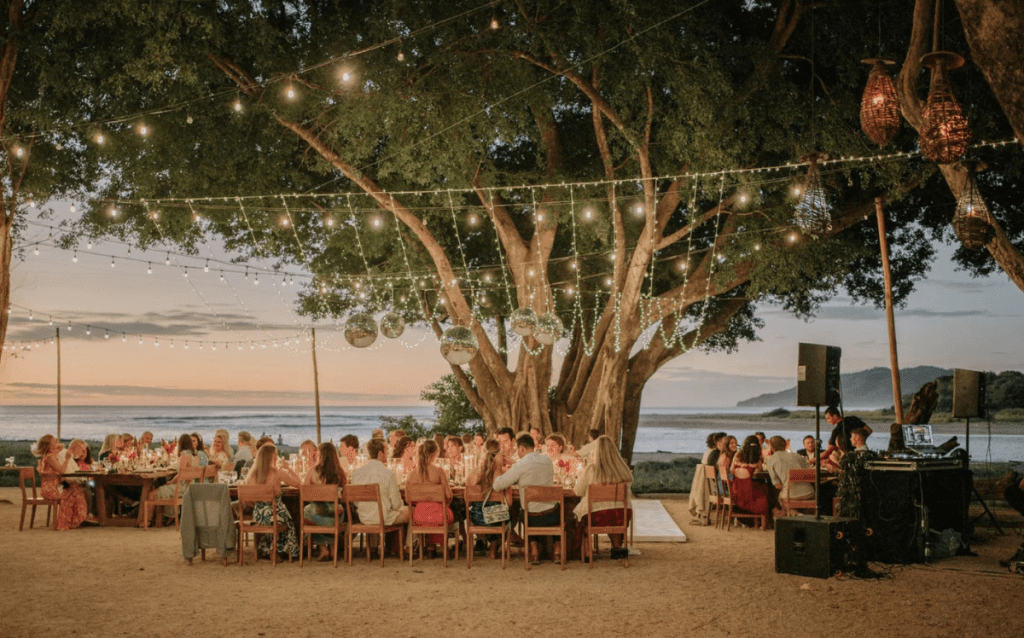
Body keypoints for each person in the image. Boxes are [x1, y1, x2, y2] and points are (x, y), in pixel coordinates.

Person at [492, 433, 557, 565]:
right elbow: (532, 470)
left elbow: (497, 485)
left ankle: (534, 551)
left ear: (521, 448)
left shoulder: (520, 465)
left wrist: (498, 467)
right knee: (557, 507)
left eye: (517, 449)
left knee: (526, 509)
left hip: (531, 518)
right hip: (552, 516)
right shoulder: (547, 461)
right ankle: (557, 551)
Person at [573, 436, 632, 556]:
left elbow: (577, 491)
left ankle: (586, 552)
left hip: (597, 517)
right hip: (621, 515)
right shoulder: (624, 470)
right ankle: (616, 547)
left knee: (580, 517)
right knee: (612, 510)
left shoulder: (591, 470)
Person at [245, 443, 302, 560]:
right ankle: (274, 550)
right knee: (289, 522)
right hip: (275, 514)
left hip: (258, 515)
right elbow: (299, 484)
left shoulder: (251, 476)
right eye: (276, 455)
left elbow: (248, 501)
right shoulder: (277, 473)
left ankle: (269, 549)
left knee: (275, 520)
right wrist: (289, 468)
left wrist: (259, 505)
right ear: (272, 457)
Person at [406, 440, 455, 558]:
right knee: (442, 512)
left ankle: (431, 547)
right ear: (435, 454)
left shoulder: (412, 474)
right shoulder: (439, 471)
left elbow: (408, 500)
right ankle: (442, 547)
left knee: (431, 513)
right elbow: (449, 496)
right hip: (439, 516)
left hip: (418, 516)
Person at [350, 438, 410, 529]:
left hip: (364, 518)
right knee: (412, 512)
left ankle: (377, 543)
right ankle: (409, 543)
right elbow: (397, 504)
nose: (388, 454)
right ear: (380, 453)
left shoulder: (356, 474)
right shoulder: (388, 473)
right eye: (386, 450)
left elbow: (356, 502)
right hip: (384, 518)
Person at [34, 434, 90, 530]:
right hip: (50, 489)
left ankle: (76, 520)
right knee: (72, 493)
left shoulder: (51, 455)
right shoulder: (49, 457)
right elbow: (61, 471)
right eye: (55, 441)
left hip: (53, 486)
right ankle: (67, 522)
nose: (57, 442)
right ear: (49, 445)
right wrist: (67, 459)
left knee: (76, 489)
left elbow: (58, 455)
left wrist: (59, 449)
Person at [302, 442, 346, 562]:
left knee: (309, 514)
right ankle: (332, 548)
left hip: (317, 512)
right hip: (336, 512)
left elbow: (304, 491)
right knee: (325, 518)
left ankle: (323, 549)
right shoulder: (340, 473)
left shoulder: (313, 472)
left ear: (320, 455)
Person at [466, 439, 509, 559]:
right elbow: (509, 503)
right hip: (496, 518)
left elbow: (466, 500)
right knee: (510, 513)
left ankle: (484, 540)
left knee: (487, 512)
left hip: (477, 517)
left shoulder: (474, 473)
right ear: (499, 454)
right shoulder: (503, 475)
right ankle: (494, 544)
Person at [730, 435, 773, 528]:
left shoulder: (737, 455)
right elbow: (759, 470)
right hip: (748, 495)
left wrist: (741, 470)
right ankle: (765, 522)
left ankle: (749, 521)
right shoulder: (757, 459)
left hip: (735, 492)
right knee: (765, 490)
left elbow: (731, 471)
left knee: (761, 487)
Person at [835, 428, 878, 519]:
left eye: (851, 437)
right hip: (868, 493)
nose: (850, 439)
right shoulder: (872, 455)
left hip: (852, 494)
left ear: (857, 439)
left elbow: (844, 472)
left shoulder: (851, 456)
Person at [765, 435, 812, 513]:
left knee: (779, 497)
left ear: (772, 448)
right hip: (809, 493)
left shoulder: (771, 460)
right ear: (786, 445)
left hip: (790, 495)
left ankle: (793, 514)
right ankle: (801, 516)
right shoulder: (797, 456)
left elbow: (778, 486)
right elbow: (809, 473)